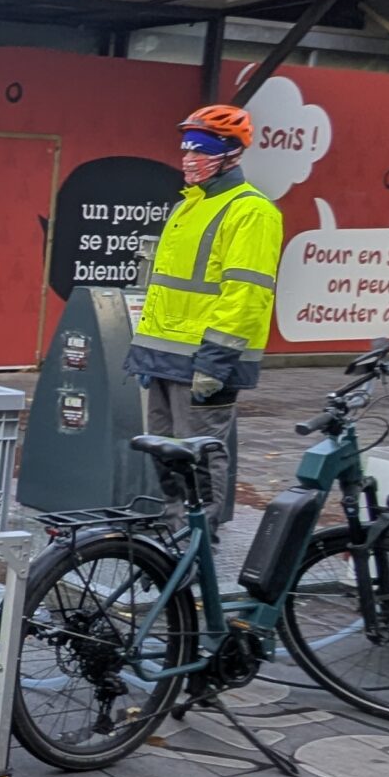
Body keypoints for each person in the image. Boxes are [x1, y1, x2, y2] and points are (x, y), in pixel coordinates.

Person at [126, 104, 283, 529]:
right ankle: (173, 527)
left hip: (204, 360)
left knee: (201, 452)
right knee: (165, 450)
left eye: (203, 149)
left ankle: (198, 540)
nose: (190, 158)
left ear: (232, 154)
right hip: (165, 357)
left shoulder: (251, 211)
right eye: (186, 149)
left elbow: (246, 295)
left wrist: (216, 361)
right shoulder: (187, 207)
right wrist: (146, 351)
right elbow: (166, 289)